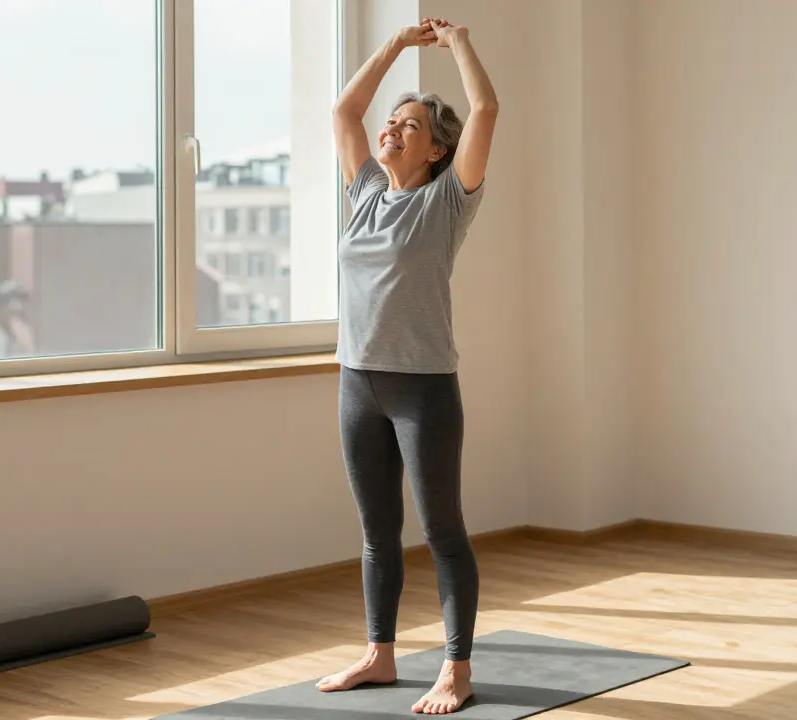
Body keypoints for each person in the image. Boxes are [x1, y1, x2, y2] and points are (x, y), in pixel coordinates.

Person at [316, 16, 498, 716]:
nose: (391, 130)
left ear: (437, 150)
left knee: (443, 530)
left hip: (424, 392)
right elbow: (343, 111)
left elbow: (485, 109)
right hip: (357, 383)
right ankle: (379, 655)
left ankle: (456, 668)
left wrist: (456, 44)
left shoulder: (446, 202)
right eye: (390, 122)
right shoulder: (363, 194)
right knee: (375, 530)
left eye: (410, 126)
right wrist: (393, 46)